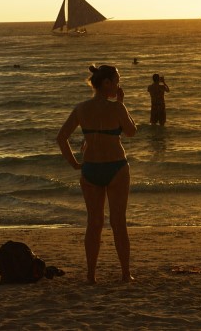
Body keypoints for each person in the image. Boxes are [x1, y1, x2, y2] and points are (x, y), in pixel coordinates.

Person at [56, 64, 137, 283]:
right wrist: (121, 104)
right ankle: (125, 273)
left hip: (90, 168)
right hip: (116, 167)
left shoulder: (81, 108)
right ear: (107, 83)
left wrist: (74, 163)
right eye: (117, 81)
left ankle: (91, 275)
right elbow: (131, 131)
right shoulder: (117, 108)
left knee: (94, 223)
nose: (119, 85)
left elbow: (61, 137)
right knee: (118, 222)